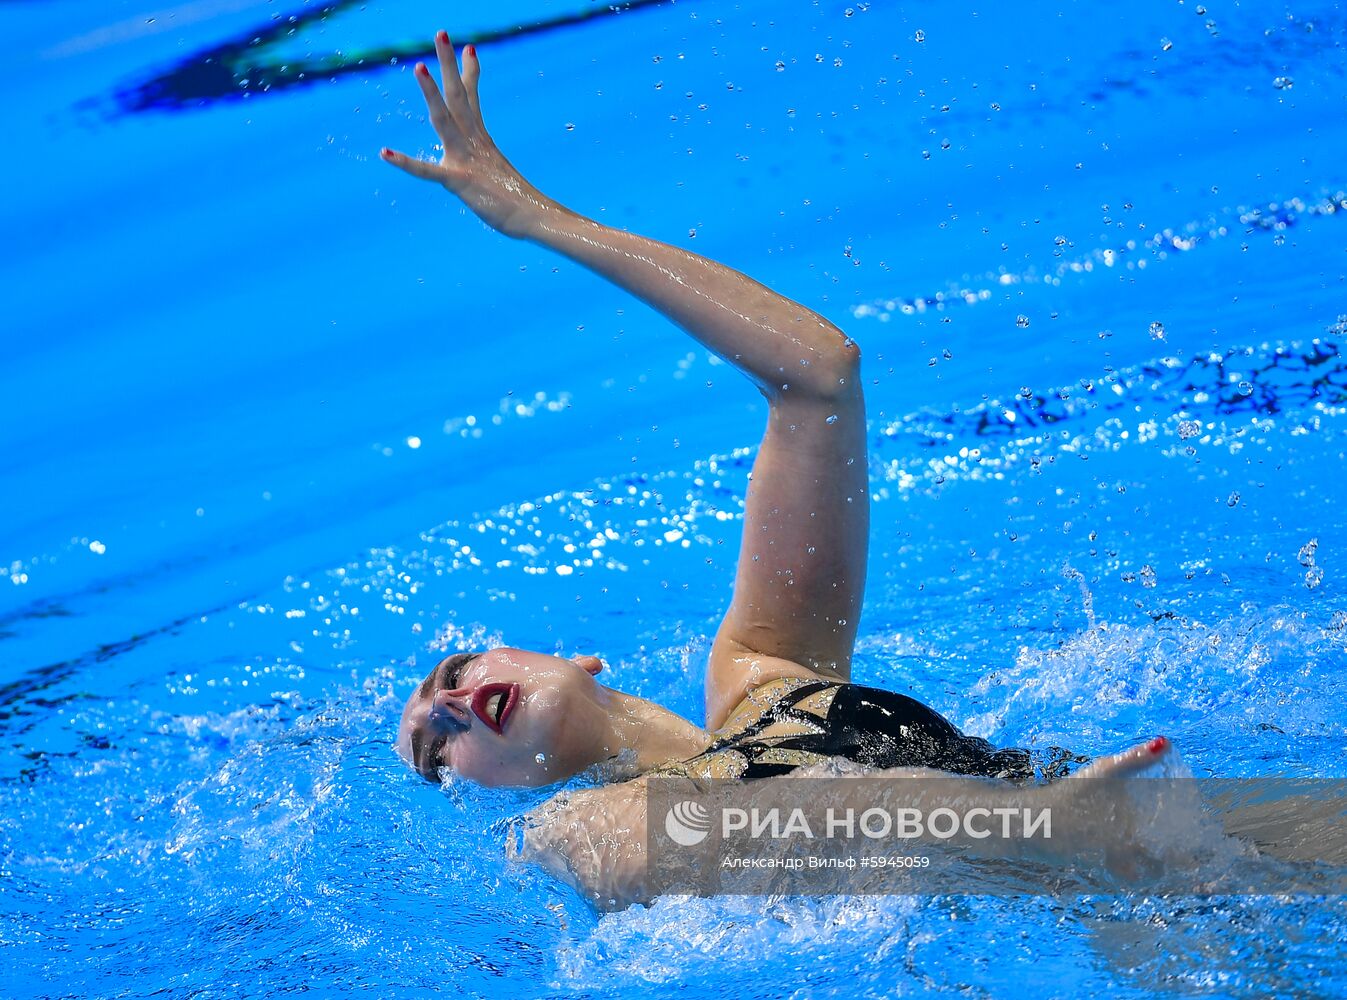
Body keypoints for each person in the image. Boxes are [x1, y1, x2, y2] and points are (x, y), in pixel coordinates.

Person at [382, 33, 1175, 907]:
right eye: (435, 750)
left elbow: (817, 380)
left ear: (574, 659)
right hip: (1069, 896)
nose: (451, 706)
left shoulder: (770, 665)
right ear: (477, 792)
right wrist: (1018, 827)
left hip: (1136, 830)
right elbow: (750, 835)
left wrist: (538, 218)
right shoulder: (571, 829)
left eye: (450, 678)